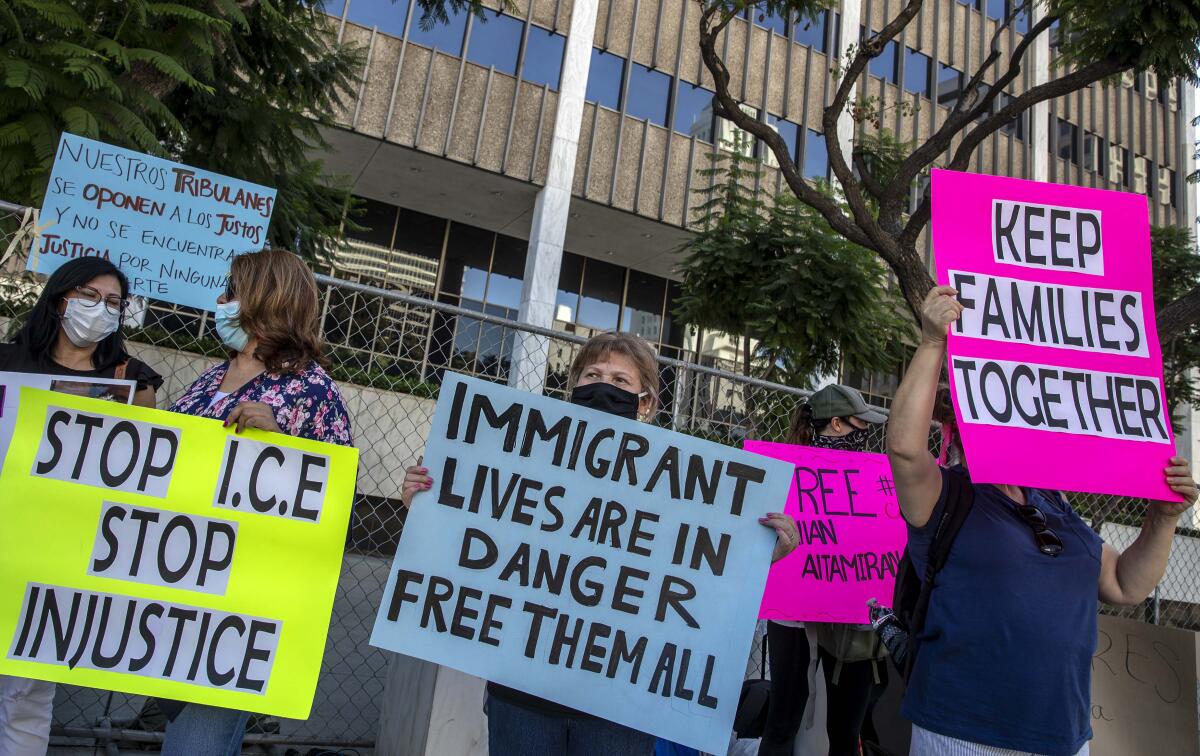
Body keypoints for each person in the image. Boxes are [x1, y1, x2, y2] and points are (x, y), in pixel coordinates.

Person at [401, 331, 800, 755]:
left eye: (620, 381)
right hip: (523, 692)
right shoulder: (528, 459)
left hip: (620, 705)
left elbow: (696, 579)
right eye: (592, 374)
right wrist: (428, 508)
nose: (603, 386)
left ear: (645, 403)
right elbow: (478, 538)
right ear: (574, 386)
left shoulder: (676, 487)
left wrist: (760, 557)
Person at [887, 286, 1197, 756]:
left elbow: (1124, 585)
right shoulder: (951, 496)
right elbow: (906, 449)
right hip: (963, 735)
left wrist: (1163, 519)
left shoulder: (1058, 508)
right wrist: (933, 342)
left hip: (1061, 737)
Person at [158, 248, 353, 756]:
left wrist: (282, 442)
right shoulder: (209, 379)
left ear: (266, 300)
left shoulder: (312, 391)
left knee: (196, 743)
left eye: (233, 290)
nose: (222, 301)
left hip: (241, 598)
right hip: (179, 577)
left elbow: (333, 496)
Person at [0, 257, 161, 756]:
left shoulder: (132, 380)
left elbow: (144, 463)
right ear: (60, 297)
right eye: (89, 296)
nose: (101, 309)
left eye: (113, 302)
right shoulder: (8, 360)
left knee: (26, 692)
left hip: (62, 554)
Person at [758, 384, 888, 756]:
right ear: (836, 423)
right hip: (793, 614)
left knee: (846, 728)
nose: (866, 433)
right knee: (785, 717)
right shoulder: (783, 474)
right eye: (860, 424)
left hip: (850, 615)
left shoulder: (872, 478)